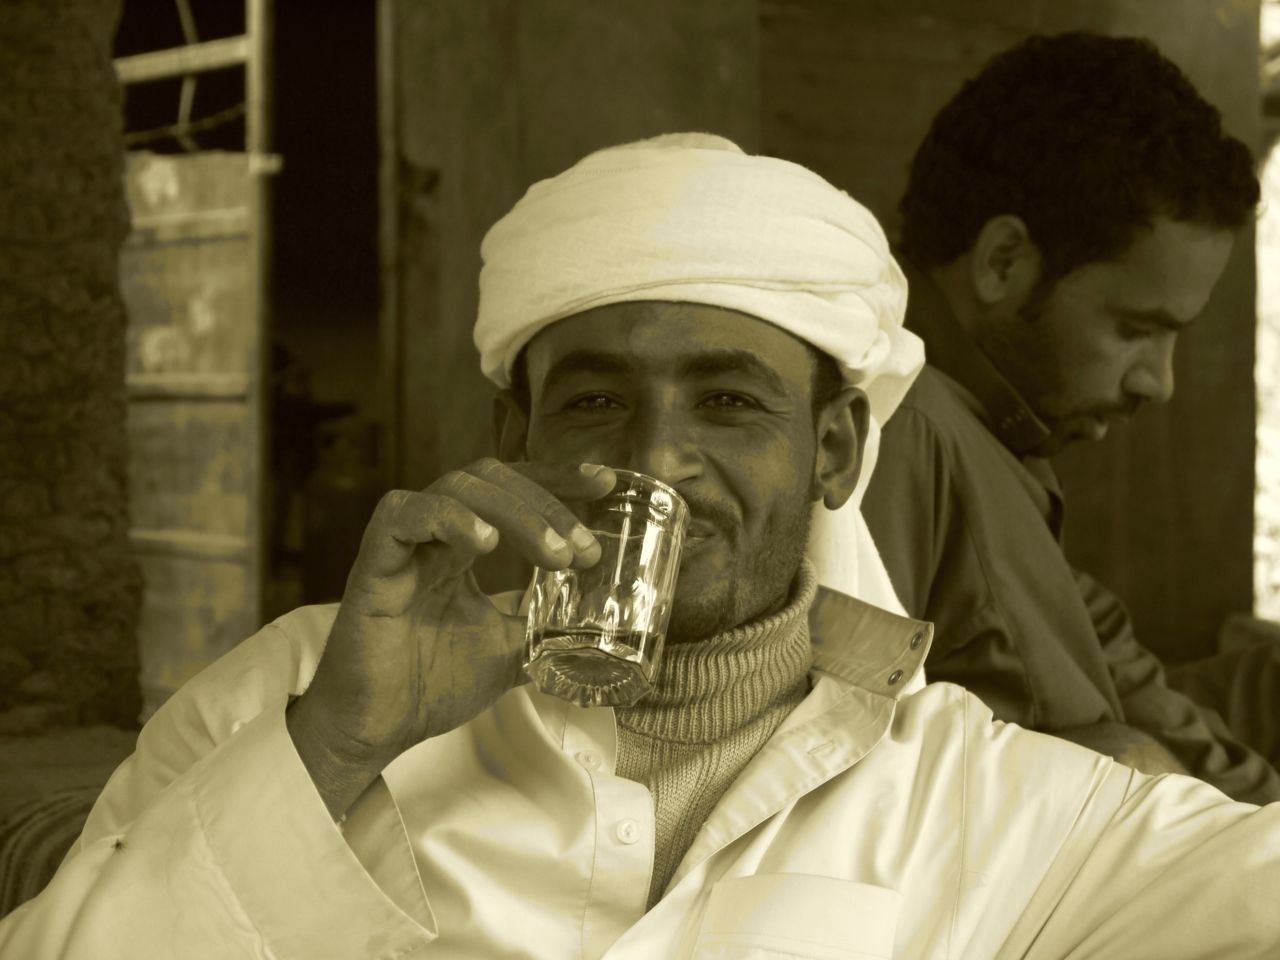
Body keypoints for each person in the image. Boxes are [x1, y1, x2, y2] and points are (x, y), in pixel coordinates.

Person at [2, 133, 1278, 958]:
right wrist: (332, 753)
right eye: (596, 400)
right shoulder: (294, 694)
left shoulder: (989, 805)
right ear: (518, 432)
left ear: (834, 450)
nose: (656, 461)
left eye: (729, 403)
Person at [864, 31, 1280, 803]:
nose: (1158, 383)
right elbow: (832, 773)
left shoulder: (1006, 434)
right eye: (1134, 329)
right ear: (1002, 262)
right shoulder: (897, 430)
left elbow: (1131, 685)